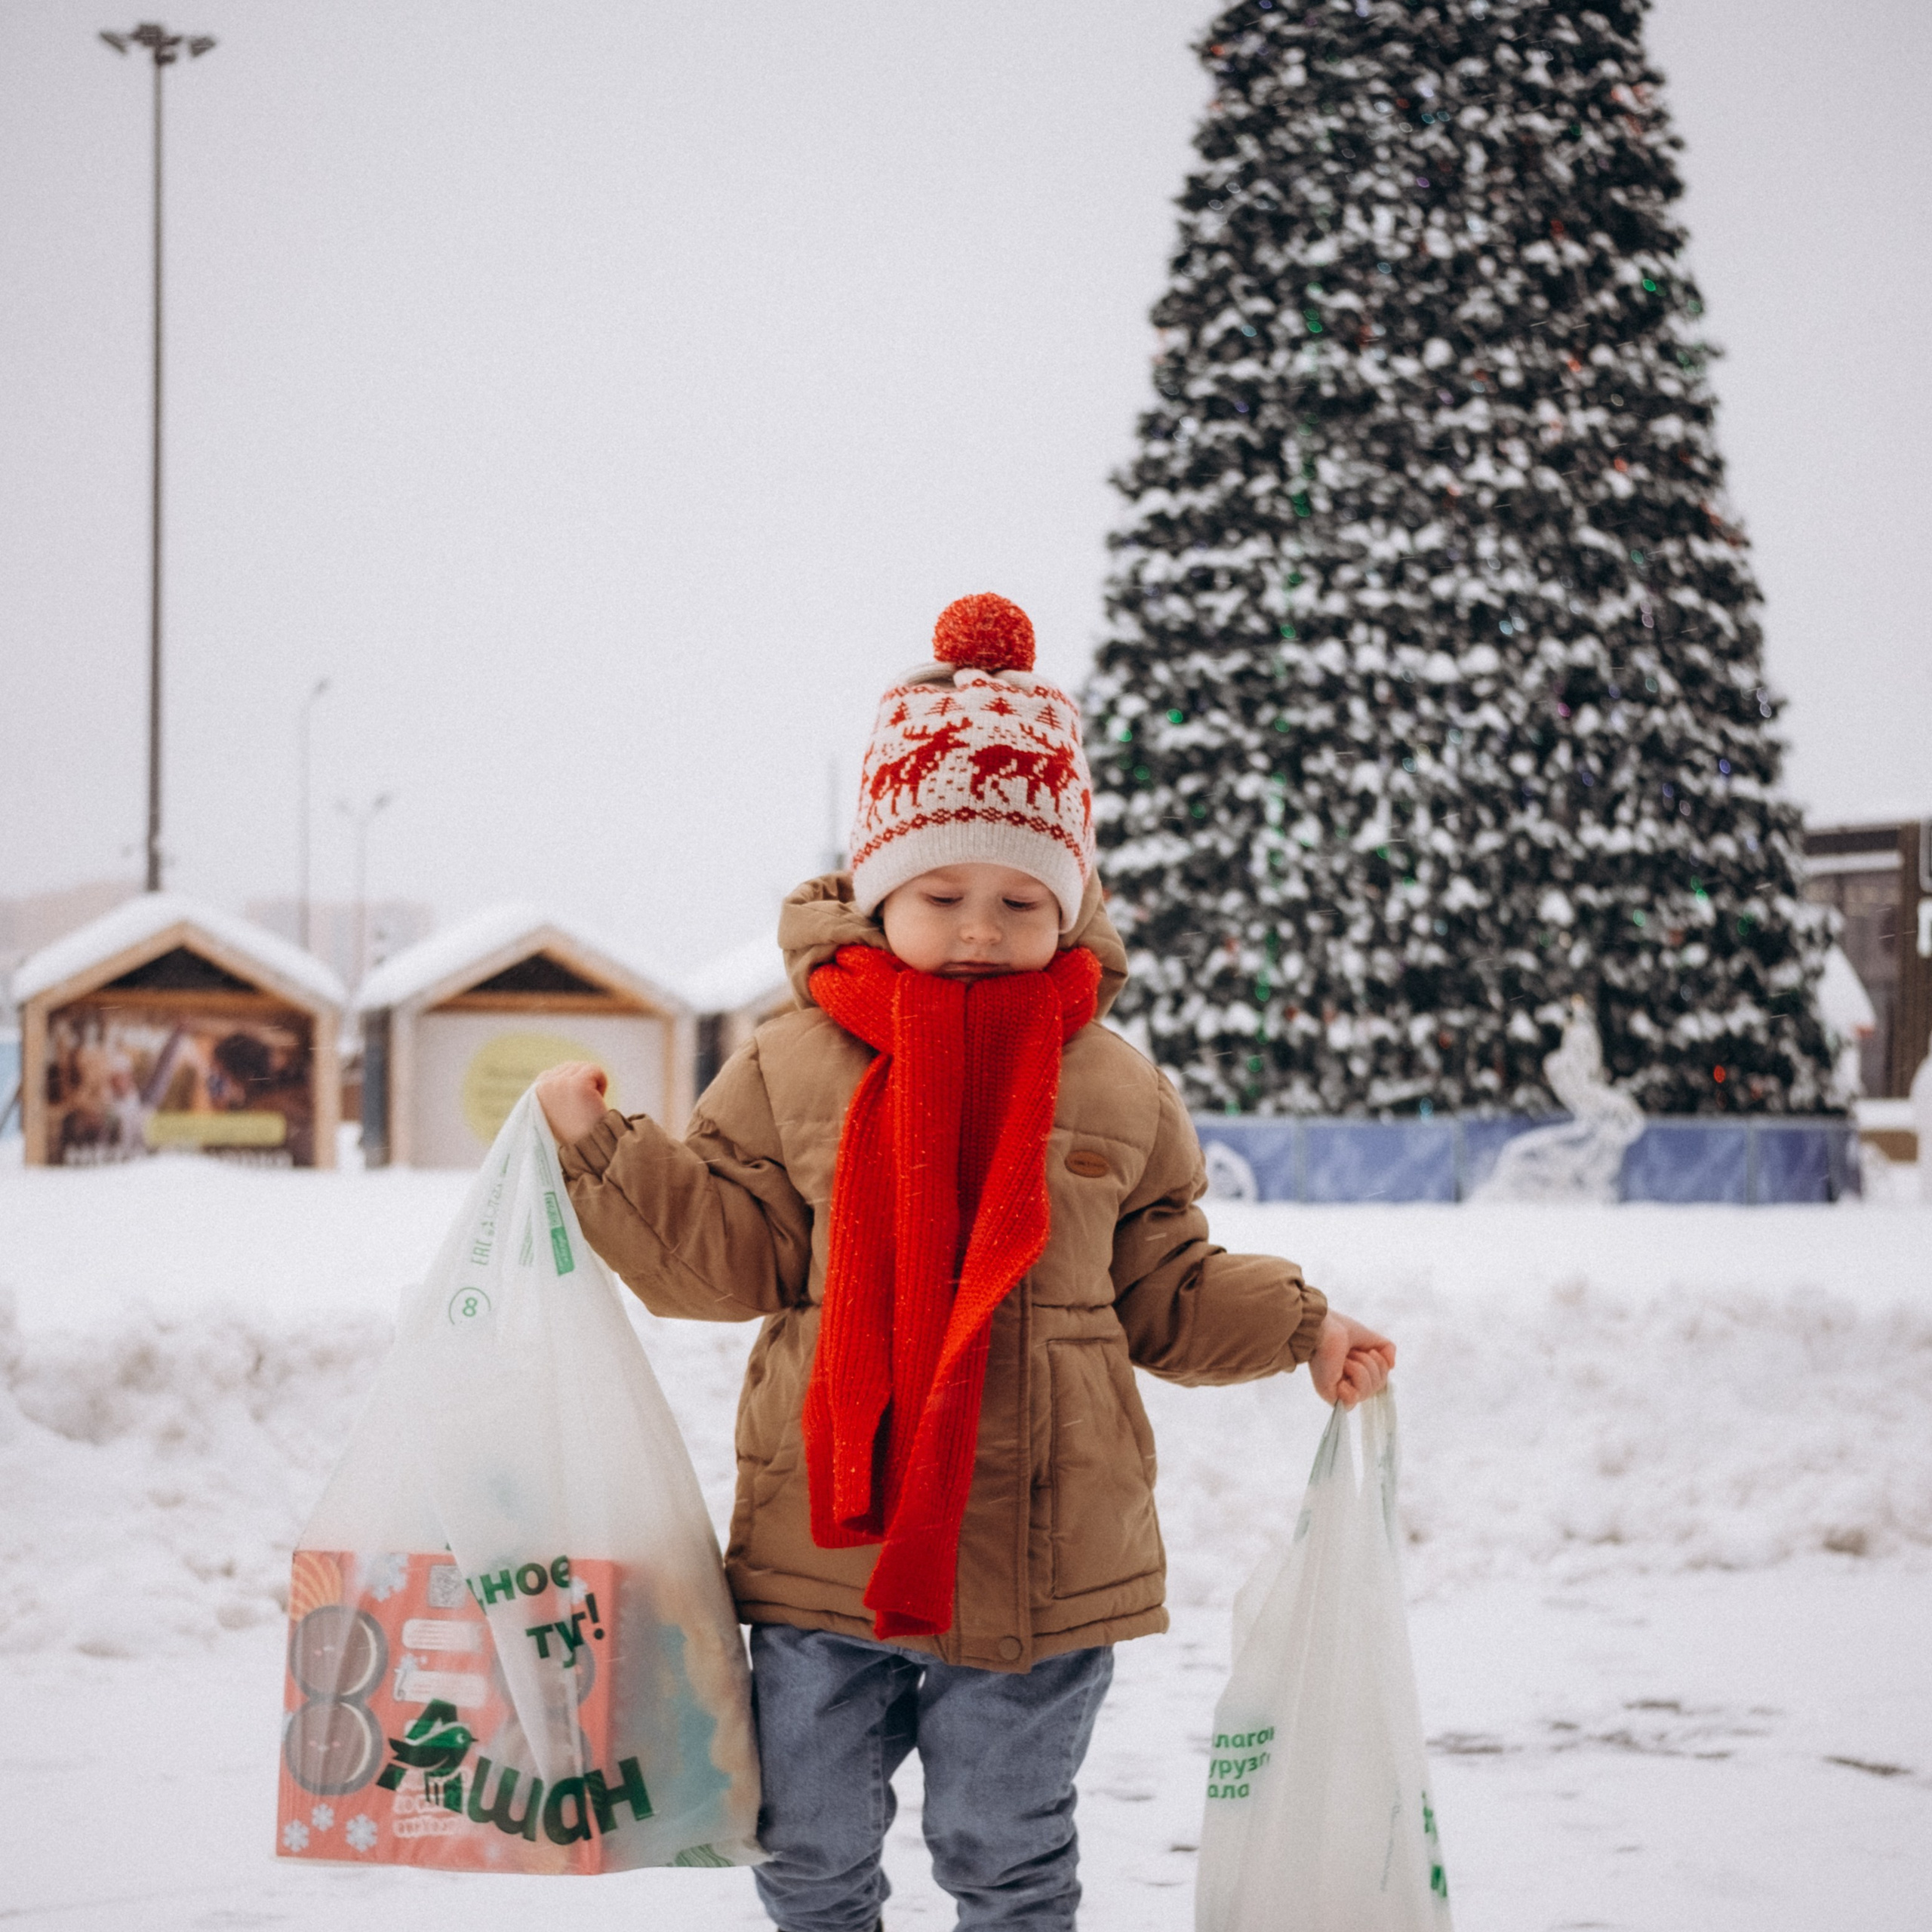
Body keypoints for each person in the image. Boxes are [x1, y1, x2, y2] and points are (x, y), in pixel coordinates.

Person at [538, 592, 1394, 1932]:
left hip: (1048, 1562)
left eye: (1020, 897)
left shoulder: (1113, 1086)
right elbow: (724, 1254)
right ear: (881, 890)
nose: (984, 927)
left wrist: (1302, 1324)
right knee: (808, 1847)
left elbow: (1166, 1290)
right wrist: (604, 1150)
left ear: (1071, 900)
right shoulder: (790, 1062)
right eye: (944, 894)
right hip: (831, 1550)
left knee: (1007, 1851)